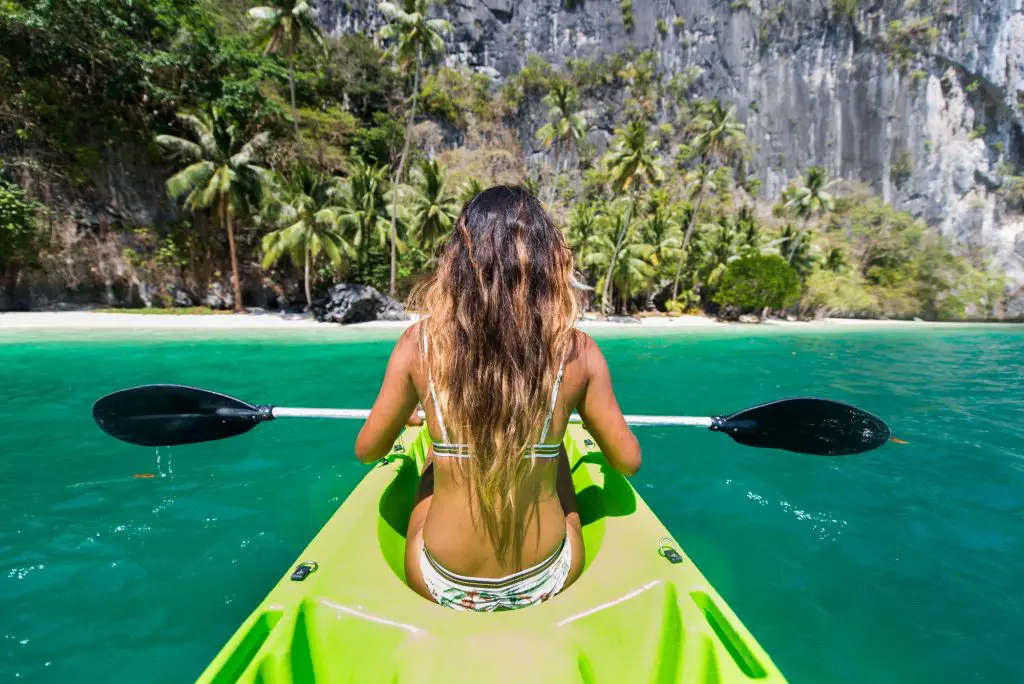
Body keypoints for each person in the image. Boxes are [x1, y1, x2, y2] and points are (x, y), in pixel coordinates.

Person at [355, 186, 641, 612]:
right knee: (555, 454)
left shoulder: (420, 345)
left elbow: (368, 451)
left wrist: (419, 423)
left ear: (456, 264)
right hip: (548, 578)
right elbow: (628, 461)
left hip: (441, 582)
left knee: (434, 464)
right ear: (548, 266)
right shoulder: (578, 352)